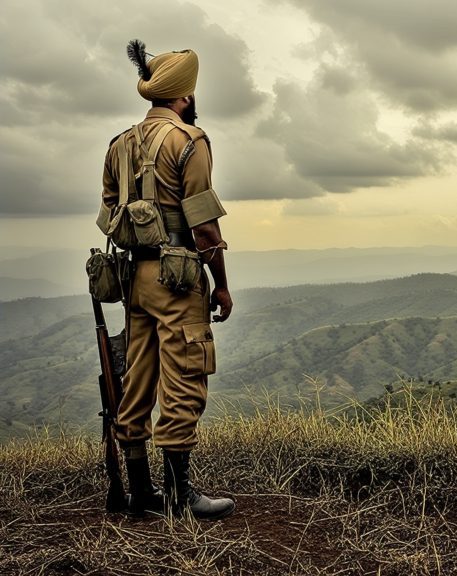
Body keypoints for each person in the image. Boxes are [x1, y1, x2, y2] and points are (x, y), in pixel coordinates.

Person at [96, 41, 234, 520]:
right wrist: (220, 283)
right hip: (178, 280)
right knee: (184, 380)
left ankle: (139, 493)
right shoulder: (190, 141)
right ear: (186, 96)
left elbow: (107, 215)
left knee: (136, 379)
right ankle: (179, 496)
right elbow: (204, 226)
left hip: (135, 278)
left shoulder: (119, 144)